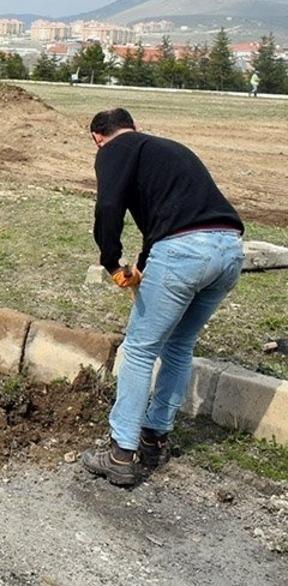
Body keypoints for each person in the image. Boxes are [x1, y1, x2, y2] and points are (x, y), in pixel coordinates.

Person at [80, 108, 244, 486]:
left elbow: (108, 207)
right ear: (135, 127)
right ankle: (155, 436)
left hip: (185, 254)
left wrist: (111, 262)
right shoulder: (167, 148)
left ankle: (121, 453)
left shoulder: (113, 149)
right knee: (179, 346)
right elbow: (170, 216)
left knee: (139, 349)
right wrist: (140, 265)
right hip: (230, 250)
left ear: (97, 137)